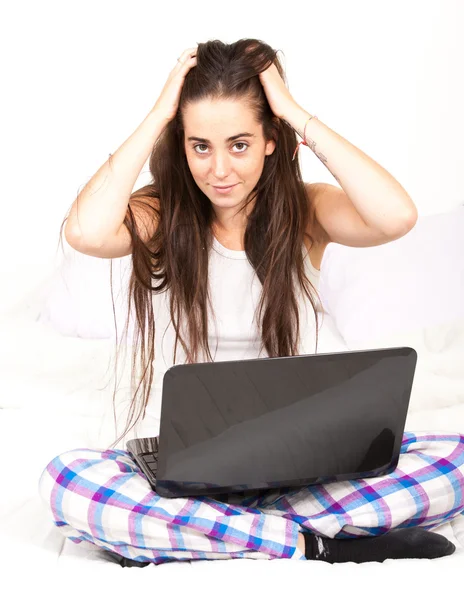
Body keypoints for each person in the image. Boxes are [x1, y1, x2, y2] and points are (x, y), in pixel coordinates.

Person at [38, 39, 463, 568]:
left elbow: (395, 216)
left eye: (238, 144)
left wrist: (294, 113)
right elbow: (84, 231)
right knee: (67, 481)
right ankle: (311, 543)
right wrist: (157, 116)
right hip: (192, 471)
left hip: (307, 461)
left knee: (457, 459)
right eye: (200, 146)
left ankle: (212, 537)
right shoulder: (161, 213)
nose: (219, 169)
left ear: (269, 140)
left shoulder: (304, 211)